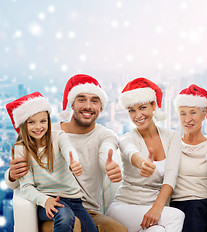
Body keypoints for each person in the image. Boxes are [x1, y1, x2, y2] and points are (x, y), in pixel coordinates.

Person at [5, 74, 128, 232]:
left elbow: (107, 150)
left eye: (94, 101)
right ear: (72, 104)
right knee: (72, 224)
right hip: (53, 209)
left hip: (87, 210)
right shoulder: (45, 131)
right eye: (81, 99)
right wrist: (12, 175)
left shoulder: (105, 135)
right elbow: (16, 181)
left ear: (101, 107)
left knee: (118, 230)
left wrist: (109, 164)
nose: (88, 106)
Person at [5, 92, 97, 232]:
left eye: (43, 121)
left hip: (74, 200)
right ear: (23, 125)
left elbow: (68, 150)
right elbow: (26, 187)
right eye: (31, 122)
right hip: (47, 199)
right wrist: (45, 201)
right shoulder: (21, 149)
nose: (38, 127)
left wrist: (73, 162)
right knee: (65, 217)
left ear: (48, 120)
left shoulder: (59, 137)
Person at [107, 77, 185, 232]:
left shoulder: (172, 136)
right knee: (176, 216)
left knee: (158, 230)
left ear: (153, 105)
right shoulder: (126, 139)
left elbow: (171, 176)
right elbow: (132, 153)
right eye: (131, 110)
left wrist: (157, 207)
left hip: (152, 210)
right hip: (124, 208)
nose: (137, 115)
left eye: (142, 108)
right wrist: (142, 163)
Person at [170, 84, 207, 232]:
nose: (187, 119)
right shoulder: (172, 146)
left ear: (204, 114)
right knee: (188, 213)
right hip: (179, 204)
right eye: (183, 113)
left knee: (195, 209)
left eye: (193, 112)